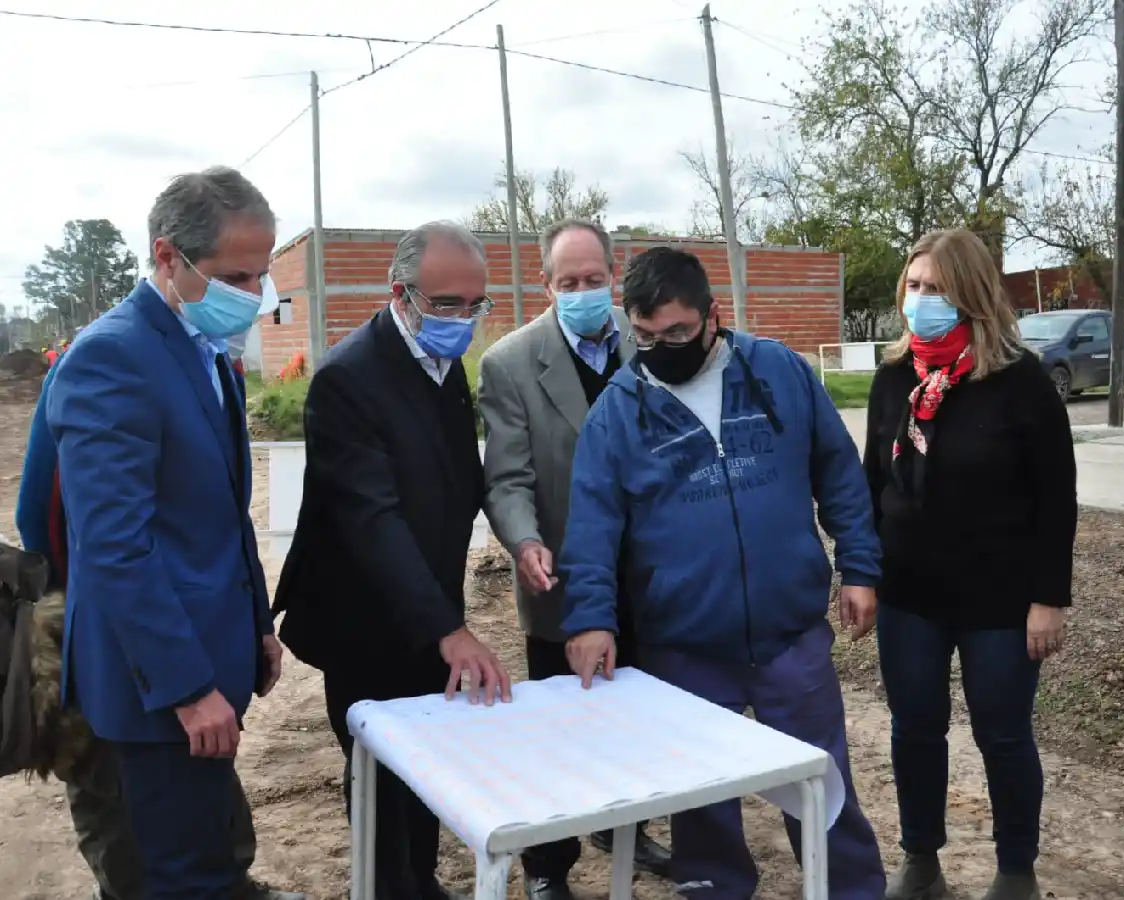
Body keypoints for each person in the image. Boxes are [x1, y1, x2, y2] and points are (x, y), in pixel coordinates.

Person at [558, 246, 886, 900]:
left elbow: (840, 474)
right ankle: (715, 890)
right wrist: (591, 618)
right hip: (686, 646)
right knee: (701, 798)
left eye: (677, 332)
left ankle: (852, 889)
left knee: (822, 780)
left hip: (789, 632)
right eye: (644, 336)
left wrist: (859, 566)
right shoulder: (619, 412)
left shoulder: (780, 374)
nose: (660, 347)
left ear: (713, 316)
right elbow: (592, 529)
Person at [45, 166, 296, 900]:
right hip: (155, 692)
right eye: (235, 276)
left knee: (210, 851)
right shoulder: (113, 356)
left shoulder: (204, 350)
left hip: (211, 659)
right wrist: (186, 688)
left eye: (261, 275)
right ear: (167, 257)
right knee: (174, 875)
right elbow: (114, 546)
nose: (252, 295)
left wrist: (257, 624)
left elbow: (218, 513)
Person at [273, 221, 513, 900]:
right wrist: (449, 629)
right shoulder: (349, 378)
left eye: (476, 305)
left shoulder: (442, 367)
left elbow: (457, 481)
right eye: (446, 304)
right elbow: (371, 520)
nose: (462, 319)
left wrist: (520, 536)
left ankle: (422, 880)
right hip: (362, 620)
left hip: (429, 604)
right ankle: (387, 887)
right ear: (400, 293)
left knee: (431, 763)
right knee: (381, 771)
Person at [862, 229, 1077, 900]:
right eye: (915, 286)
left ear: (973, 296)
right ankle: (921, 860)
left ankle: (1017, 870)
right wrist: (861, 573)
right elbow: (873, 484)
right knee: (915, 728)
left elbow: (1056, 500)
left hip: (1001, 599)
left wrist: (1050, 598)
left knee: (1003, 733)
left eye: (939, 288)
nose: (922, 299)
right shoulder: (896, 378)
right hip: (909, 593)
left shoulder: (1021, 382)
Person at [478, 220, 671, 900]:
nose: (584, 293)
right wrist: (525, 541)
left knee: (636, 715)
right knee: (558, 727)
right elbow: (507, 478)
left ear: (614, 277)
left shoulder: (651, 344)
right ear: (546, 284)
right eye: (569, 283)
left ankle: (627, 829)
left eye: (595, 281)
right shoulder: (509, 363)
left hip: (647, 575)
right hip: (558, 576)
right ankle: (547, 866)